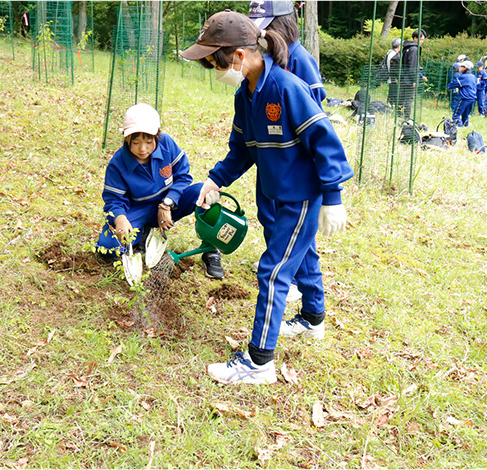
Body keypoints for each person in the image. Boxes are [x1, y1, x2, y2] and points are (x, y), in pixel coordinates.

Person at [181, 10, 353, 385]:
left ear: (239, 56)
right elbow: (242, 149)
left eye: (215, 63)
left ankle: (259, 362)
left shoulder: (287, 88)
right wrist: (214, 180)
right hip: (273, 193)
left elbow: (325, 141)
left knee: (273, 272)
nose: (215, 71)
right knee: (295, 255)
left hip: (300, 197)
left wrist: (333, 195)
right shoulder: (246, 94)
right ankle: (312, 320)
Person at [248, 0, 328, 304]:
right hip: (271, 163)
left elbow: (316, 122)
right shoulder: (264, 58)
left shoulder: (300, 61)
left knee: (297, 235)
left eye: (264, 26)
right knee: (270, 220)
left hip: (295, 171)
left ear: (283, 24)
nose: (259, 33)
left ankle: (300, 288)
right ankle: (290, 274)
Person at [97, 103, 224, 279]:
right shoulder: (118, 164)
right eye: (136, 142)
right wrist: (120, 219)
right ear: (127, 139)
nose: (143, 149)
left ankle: (210, 249)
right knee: (108, 246)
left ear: (157, 136)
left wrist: (167, 204)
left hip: (170, 203)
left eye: (149, 142)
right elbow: (113, 200)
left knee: (204, 195)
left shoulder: (167, 145)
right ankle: (141, 233)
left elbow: (183, 177)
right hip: (138, 210)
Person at [248, 0, 326, 104]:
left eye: (265, 28)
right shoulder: (267, 57)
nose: (261, 35)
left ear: (283, 24)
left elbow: (315, 96)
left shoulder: (300, 58)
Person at [399, 29, 429, 121]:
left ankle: (399, 115)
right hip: (409, 79)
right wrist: (414, 80)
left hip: (403, 77)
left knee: (402, 98)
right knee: (409, 98)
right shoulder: (414, 49)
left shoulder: (407, 48)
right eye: (421, 39)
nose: (422, 42)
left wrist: (420, 76)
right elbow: (413, 65)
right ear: (415, 38)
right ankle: (406, 118)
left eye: (423, 40)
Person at [447, 60, 477, 127]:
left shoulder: (463, 77)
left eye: (461, 67)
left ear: (465, 68)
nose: (459, 68)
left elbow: (455, 83)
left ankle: (460, 127)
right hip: (472, 98)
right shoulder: (473, 76)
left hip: (464, 98)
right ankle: (466, 126)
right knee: (465, 115)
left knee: (456, 115)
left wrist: (449, 87)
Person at [383, 37, 402, 108]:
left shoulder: (389, 53)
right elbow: (395, 69)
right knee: (395, 96)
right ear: (399, 46)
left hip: (390, 78)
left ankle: (390, 106)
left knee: (391, 94)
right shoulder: (396, 56)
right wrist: (398, 78)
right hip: (394, 79)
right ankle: (393, 108)